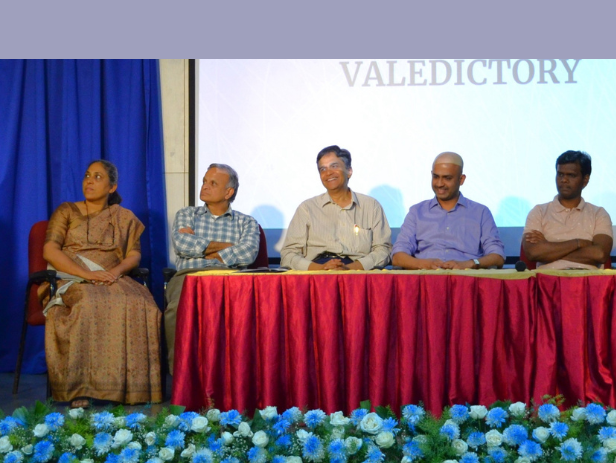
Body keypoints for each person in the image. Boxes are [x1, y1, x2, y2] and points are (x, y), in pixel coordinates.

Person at [40, 160, 161, 407]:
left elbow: (134, 255)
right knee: (88, 302)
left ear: (112, 187)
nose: (89, 181)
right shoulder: (66, 211)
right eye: (87, 175)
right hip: (72, 277)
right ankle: (80, 389)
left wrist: (114, 272)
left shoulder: (124, 217)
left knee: (142, 303)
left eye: (97, 177)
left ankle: (131, 389)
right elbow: (50, 250)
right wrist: (86, 274)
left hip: (111, 277)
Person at [165, 163, 260, 372]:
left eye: (213, 183)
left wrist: (201, 246)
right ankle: (179, 374)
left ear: (228, 192)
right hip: (189, 276)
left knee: (245, 313)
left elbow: (248, 253)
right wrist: (228, 247)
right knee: (177, 309)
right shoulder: (187, 214)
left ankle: (237, 374)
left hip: (230, 277)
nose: (205, 186)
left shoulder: (246, 222)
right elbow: (182, 244)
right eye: (204, 181)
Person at [281, 145, 392, 271]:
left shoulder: (371, 206)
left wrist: (348, 269)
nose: (328, 173)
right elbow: (288, 254)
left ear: (349, 171)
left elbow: (383, 250)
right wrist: (321, 269)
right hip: (317, 271)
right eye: (323, 169)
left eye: (334, 166)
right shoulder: (307, 208)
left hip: (357, 272)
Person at [392, 152, 505, 269]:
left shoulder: (481, 212)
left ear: (461, 179)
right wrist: (424, 264)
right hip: (426, 277)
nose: (440, 184)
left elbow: (497, 256)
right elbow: (397, 256)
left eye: (447, 178)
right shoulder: (416, 212)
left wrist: (470, 264)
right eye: (436, 177)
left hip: (466, 276)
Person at [522, 151, 613, 269]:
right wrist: (578, 243)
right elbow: (533, 252)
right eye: (560, 174)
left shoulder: (599, 214)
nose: (564, 180)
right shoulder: (539, 212)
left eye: (571, 175)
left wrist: (548, 249)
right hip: (548, 280)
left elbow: (599, 254)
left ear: (585, 180)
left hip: (586, 279)